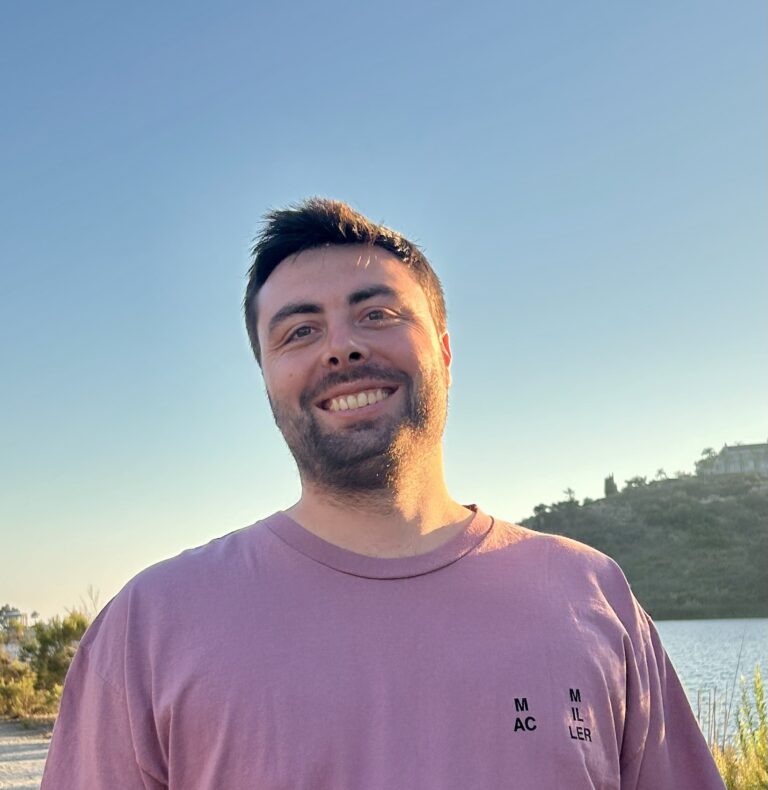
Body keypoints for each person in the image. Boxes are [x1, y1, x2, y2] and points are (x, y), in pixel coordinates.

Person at [41, 198, 725, 789]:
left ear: (445, 352)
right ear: (267, 379)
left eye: (376, 313)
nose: (340, 348)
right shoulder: (150, 628)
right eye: (300, 331)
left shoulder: (592, 596)